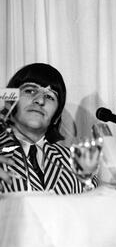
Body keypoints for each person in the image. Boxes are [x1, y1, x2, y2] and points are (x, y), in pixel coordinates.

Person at [0, 63, 99, 194]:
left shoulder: (77, 162)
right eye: (30, 91)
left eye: (50, 96)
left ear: (56, 117)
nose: (40, 100)